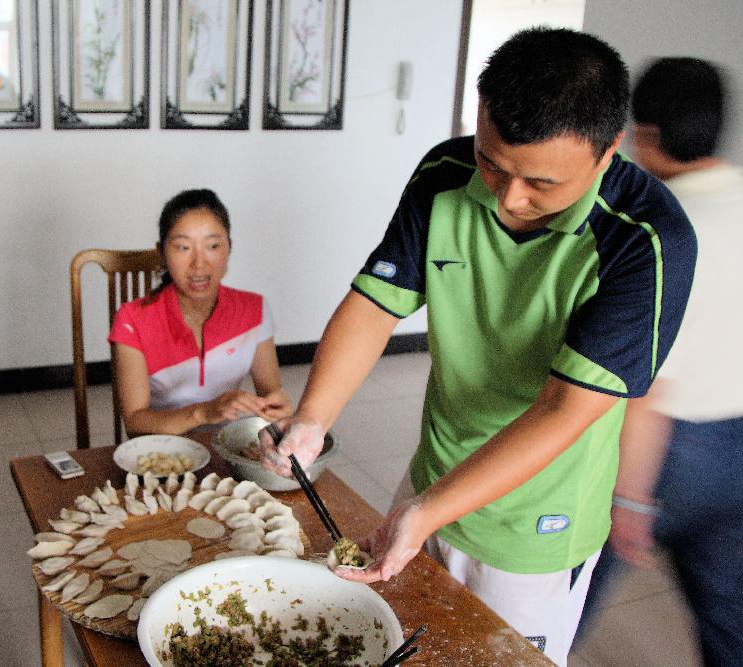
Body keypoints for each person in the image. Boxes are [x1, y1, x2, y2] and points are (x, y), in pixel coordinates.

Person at [259, 27, 696, 666]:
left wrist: (428, 510)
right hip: (433, 471)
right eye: (493, 162)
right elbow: (376, 303)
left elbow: (564, 411)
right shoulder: (447, 169)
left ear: (608, 154)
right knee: (393, 640)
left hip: (535, 524)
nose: (508, 197)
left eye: (540, 183)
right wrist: (312, 419)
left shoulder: (648, 242)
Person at [576, 57, 743, 666]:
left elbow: (648, 385)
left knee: (567, 600)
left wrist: (631, 501)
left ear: (641, 136)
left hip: (671, 455)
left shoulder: (665, 232)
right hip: (741, 451)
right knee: (730, 622)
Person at [109, 188, 293, 437]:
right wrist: (203, 412)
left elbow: (271, 392)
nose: (199, 264)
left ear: (229, 247)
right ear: (162, 252)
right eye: (183, 247)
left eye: (213, 245)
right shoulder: (132, 320)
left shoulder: (254, 310)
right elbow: (135, 421)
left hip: (225, 449)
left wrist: (275, 405)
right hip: (162, 454)